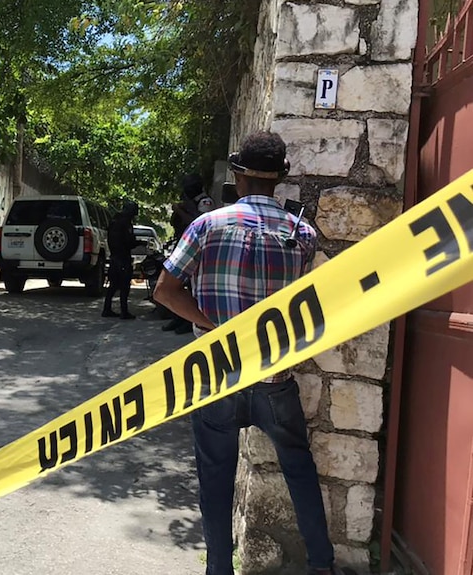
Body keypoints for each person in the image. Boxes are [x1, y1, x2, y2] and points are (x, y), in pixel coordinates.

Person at [154, 131, 354, 575]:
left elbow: (165, 291)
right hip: (275, 380)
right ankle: (322, 564)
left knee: (215, 478)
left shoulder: (206, 226)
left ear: (239, 175)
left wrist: (214, 325)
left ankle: (220, 568)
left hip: (217, 376)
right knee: (300, 471)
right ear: (279, 179)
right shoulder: (301, 234)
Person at [162, 174, 203, 334]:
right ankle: (179, 318)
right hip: (184, 246)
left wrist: (180, 210)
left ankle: (189, 320)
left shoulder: (203, 202)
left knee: (192, 289)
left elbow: (197, 223)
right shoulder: (190, 202)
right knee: (180, 286)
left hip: (196, 249)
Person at [102, 200, 140, 320]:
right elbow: (128, 242)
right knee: (124, 286)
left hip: (114, 257)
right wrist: (139, 242)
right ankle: (124, 312)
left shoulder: (114, 221)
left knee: (113, 286)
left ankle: (106, 309)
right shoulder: (125, 223)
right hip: (122, 258)